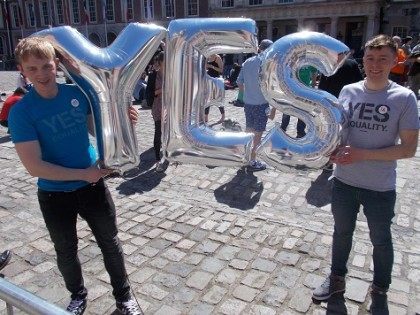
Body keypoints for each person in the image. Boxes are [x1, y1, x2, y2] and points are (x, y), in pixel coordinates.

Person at [9, 37, 143, 315]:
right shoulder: (21, 111)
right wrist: (84, 174)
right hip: (54, 193)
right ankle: (78, 296)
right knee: (66, 250)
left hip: (92, 187)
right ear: (22, 70)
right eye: (32, 69)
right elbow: (34, 166)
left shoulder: (77, 94)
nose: (41, 74)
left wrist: (123, 122)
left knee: (110, 242)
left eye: (46, 66)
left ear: (56, 64)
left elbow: (98, 129)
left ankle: (124, 298)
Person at [312, 34, 419, 315]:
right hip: (345, 181)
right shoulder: (348, 91)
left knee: (381, 241)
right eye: (370, 58)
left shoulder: (404, 97)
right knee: (341, 233)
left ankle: (380, 289)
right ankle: (337, 280)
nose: (374, 65)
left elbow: (408, 150)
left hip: (380, 187)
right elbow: (339, 131)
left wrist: (362, 154)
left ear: (395, 60)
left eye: (382, 58)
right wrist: (331, 149)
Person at [237, 39, 275, 170]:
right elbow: (273, 87)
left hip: (249, 104)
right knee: (258, 135)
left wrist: (246, 95)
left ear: (259, 48)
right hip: (261, 104)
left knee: (248, 131)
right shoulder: (268, 64)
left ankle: (245, 157)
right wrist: (274, 107)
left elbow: (239, 82)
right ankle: (252, 160)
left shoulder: (247, 62)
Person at [281, 65, 318, 138]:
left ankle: (300, 132)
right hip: (292, 90)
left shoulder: (308, 59)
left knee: (303, 111)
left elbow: (314, 71)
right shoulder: (293, 59)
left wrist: (313, 85)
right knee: (287, 110)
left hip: (305, 91)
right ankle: (283, 129)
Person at [151, 52, 165, 172]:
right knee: (158, 131)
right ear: (160, 62)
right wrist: (163, 89)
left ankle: (168, 153)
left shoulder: (171, 74)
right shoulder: (153, 75)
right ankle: (157, 159)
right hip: (158, 106)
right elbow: (151, 93)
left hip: (169, 107)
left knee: (168, 132)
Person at [204, 54, 225, 123]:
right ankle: (206, 117)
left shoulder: (217, 58)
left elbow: (221, 70)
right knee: (207, 98)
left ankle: (223, 116)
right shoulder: (207, 57)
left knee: (218, 98)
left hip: (216, 81)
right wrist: (206, 68)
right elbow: (205, 68)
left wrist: (211, 66)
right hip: (208, 80)